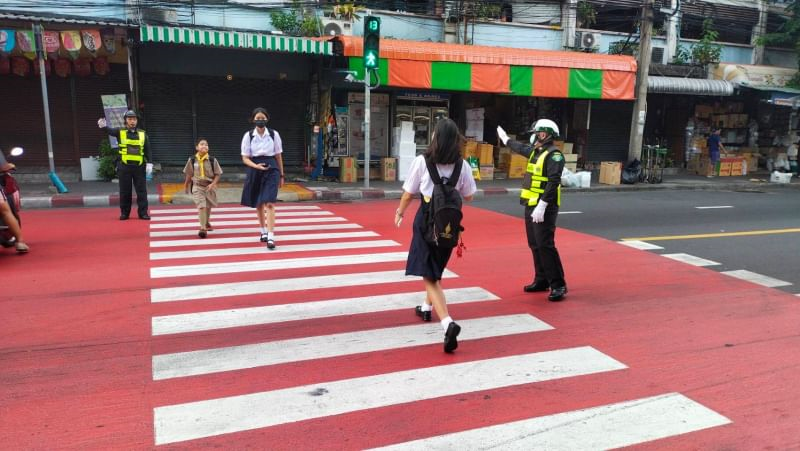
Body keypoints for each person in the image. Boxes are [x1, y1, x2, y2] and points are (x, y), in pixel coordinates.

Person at [394, 118, 477, 353]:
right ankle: (426, 307)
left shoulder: (422, 161)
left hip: (426, 222)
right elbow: (469, 196)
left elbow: (408, 193)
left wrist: (400, 212)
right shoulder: (462, 165)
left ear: (436, 138)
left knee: (429, 275)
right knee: (435, 269)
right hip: (448, 225)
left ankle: (447, 323)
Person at [497, 119, 568, 302]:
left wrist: (542, 205)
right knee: (535, 244)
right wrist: (506, 140)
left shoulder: (554, 155)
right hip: (531, 204)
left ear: (545, 134)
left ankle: (558, 284)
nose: (534, 136)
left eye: (536, 132)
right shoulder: (537, 151)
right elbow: (522, 149)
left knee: (545, 245)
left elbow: (553, 181)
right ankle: (542, 279)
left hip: (545, 206)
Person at [240, 107, 285, 250]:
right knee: (259, 203)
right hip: (255, 167)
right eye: (258, 118)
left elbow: (278, 155)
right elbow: (245, 158)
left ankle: (271, 236)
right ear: (253, 120)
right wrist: (256, 166)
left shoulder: (274, 134)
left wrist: (282, 175)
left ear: (267, 119)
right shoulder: (248, 136)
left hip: (271, 168)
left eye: (263, 118)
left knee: (270, 202)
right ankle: (263, 231)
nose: (260, 121)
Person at [97, 110, 151, 220]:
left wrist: (150, 163)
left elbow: (148, 149)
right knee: (125, 191)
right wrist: (103, 126)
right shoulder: (120, 131)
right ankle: (125, 213)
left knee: (142, 191)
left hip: (139, 166)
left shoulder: (142, 133)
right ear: (125, 120)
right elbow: (110, 131)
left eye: (134, 119)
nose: (132, 121)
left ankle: (143, 213)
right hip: (124, 166)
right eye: (130, 119)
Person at [183, 138, 222, 239]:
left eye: (206, 144)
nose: (204, 146)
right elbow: (189, 174)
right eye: (202, 144)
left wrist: (213, 184)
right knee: (202, 206)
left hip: (209, 186)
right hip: (197, 186)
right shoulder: (192, 160)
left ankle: (206, 222)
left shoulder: (213, 160)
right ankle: (203, 228)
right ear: (197, 147)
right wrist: (186, 185)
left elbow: (218, 174)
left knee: (208, 206)